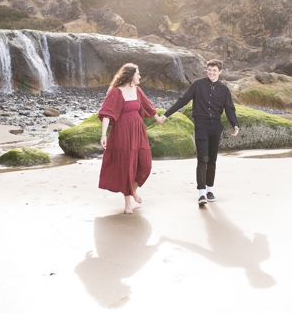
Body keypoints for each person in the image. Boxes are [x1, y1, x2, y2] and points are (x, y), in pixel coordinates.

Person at [157, 59, 239, 206]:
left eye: (214, 70)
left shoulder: (224, 90)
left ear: (220, 72)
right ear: (206, 70)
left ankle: (210, 190)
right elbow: (183, 100)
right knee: (203, 158)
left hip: (216, 126)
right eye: (209, 70)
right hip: (201, 125)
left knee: (212, 160)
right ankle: (201, 193)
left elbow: (230, 109)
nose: (211, 73)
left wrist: (235, 125)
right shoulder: (197, 84)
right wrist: (165, 115)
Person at [98, 63, 158, 214]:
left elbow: (148, 106)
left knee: (146, 164)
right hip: (122, 133)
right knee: (127, 165)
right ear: (130, 75)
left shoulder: (137, 90)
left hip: (138, 131)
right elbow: (107, 113)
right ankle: (128, 203)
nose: (140, 76)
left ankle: (133, 189)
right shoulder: (116, 92)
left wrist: (158, 118)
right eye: (138, 73)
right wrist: (104, 135)